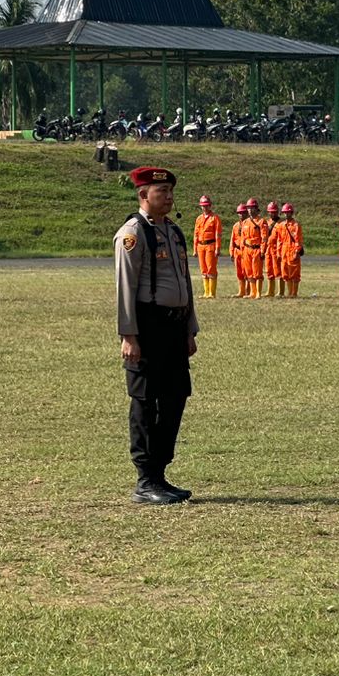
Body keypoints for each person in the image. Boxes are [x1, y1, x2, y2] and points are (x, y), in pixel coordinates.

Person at [115, 166, 199, 506]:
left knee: (176, 397)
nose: (168, 196)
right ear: (142, 195)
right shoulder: (133, 234)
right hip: (147, 328)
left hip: (175, 326)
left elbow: (185, 284)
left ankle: (160, 473)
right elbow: (125, 288)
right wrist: (129, 335)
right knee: (146, 401)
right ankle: (145, 478)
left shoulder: (173, 232)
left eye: (169, 190)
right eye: (160, 190)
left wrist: (190, 328)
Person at [270, 202, 304, 296]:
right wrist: (278, 252)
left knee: (294, 273)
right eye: (285, 212)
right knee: (285, 273)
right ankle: (289, 293)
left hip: (293, 250)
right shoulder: (282, 225)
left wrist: (297, 251)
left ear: (292, 213)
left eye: (288, 212)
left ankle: (294, 293)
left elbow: (298, 239)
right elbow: (279, 240)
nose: (286, 214)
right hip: (284, 251)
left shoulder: (296, 225)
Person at [193, 196, 222, 299]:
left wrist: (218, 248)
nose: (204, 208)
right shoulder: (199, 219)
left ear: (210, 206)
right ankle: (206, 292)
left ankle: (212, 293)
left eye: (206, 206)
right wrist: (195, 248)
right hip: (201, 246)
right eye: (203, 206)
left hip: (211, 245)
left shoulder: (215, 218)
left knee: (211, 268)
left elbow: (218, 234)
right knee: (203, 269)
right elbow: (196, 234)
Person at [240, 198, 267, 299]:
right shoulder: (245, 222)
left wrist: (263, 250)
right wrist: (242, 251)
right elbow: (243, 238)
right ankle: (252, 292)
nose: (250, 210)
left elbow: (264, 238)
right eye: (248, 208)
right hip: (247, 249)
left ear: (256, 209)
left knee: (257, 272)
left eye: (252, 208)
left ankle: (258, 293)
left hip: (257, 249)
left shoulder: (261, 221)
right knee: (249, 272)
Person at [229, 203, 250, 298]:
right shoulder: (235, 226)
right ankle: (241, 291)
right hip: (237, 250)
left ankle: (248, 291)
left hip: (246, 250)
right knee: (239, 272)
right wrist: (231, 252)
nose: (241, 215)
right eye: (240, 213)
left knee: (247, 271)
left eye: (243, 213)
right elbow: (232, 240)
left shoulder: (249, 224)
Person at [264, 203, 283, 297]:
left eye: (274, 212)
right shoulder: (267, 222)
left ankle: (280, 292)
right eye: (271, 212)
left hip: (276, 249)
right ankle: (270, 291)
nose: (272, 214)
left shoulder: (281, 223)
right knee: (269, 270)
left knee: (278, 270)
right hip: (268, 249)